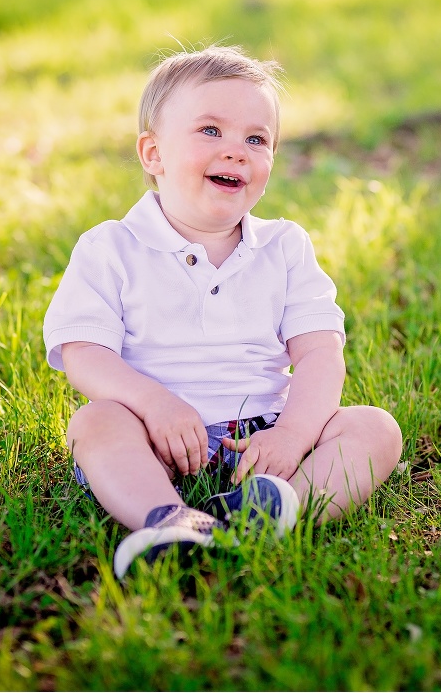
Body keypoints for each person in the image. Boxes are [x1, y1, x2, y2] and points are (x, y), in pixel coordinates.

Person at [44, 45, 403, 578]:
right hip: (154, 432)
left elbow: (320, 353)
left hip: (263, 435)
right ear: (153, 154)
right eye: (210, 131)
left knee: (376, 428)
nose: (236, 151)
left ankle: (277, 508)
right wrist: (154, 405)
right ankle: (167, 519)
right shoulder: (110, 247)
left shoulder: (284, 247)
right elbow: (83, 354)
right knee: (95, 422)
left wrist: (292, 437)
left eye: (256, 139)